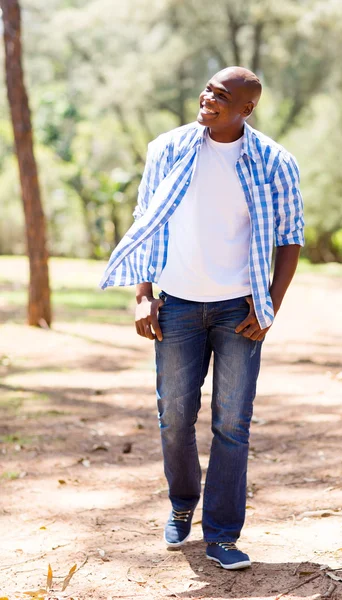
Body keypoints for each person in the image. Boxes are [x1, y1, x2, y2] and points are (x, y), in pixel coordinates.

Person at [100, 66, 304, 570]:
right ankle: (182, 502)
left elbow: (290, 237)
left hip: (240, 309)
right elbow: (145, 221)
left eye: (222, 95)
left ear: (246, 108)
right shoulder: (167, 149)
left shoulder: (276, 161)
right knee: (174, 418)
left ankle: (222, 535)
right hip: (178, 306)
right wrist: (143, 296)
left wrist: (269, 305)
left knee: (233, 424)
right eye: (208, 89)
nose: (208, 98)